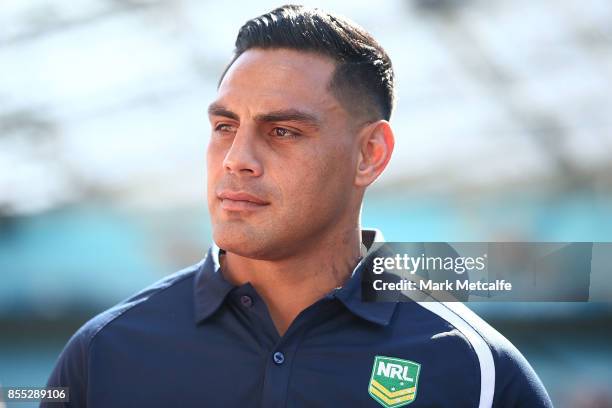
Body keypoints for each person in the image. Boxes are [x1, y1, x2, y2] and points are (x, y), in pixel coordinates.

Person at [44, 5, 553, 407]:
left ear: (368, 155)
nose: (237, 160)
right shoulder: (104, 354)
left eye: (282, 131)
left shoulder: (476, 370)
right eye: (224, 127)